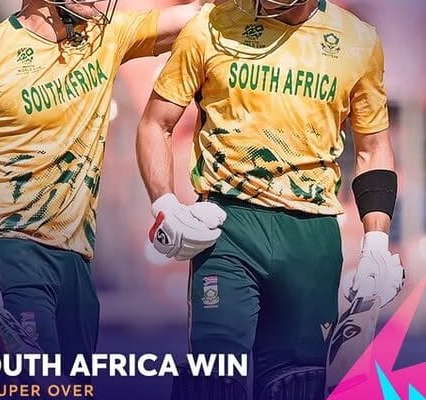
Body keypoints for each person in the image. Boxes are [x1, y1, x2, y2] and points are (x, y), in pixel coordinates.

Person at [0, 0, 220, 379]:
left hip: (75, 260)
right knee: (38, 381)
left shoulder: (106, 36)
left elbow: (198, 16)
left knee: (74, 386)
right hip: (9, 249)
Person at [136, 0, 405, 398]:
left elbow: (373, 148)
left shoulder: (358, 41)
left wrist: (377, 242)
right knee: (214, 378)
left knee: (295, 384)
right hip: (228, 225)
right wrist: (165, 204)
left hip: (311, 236)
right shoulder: (210, 25)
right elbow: (155, 123)